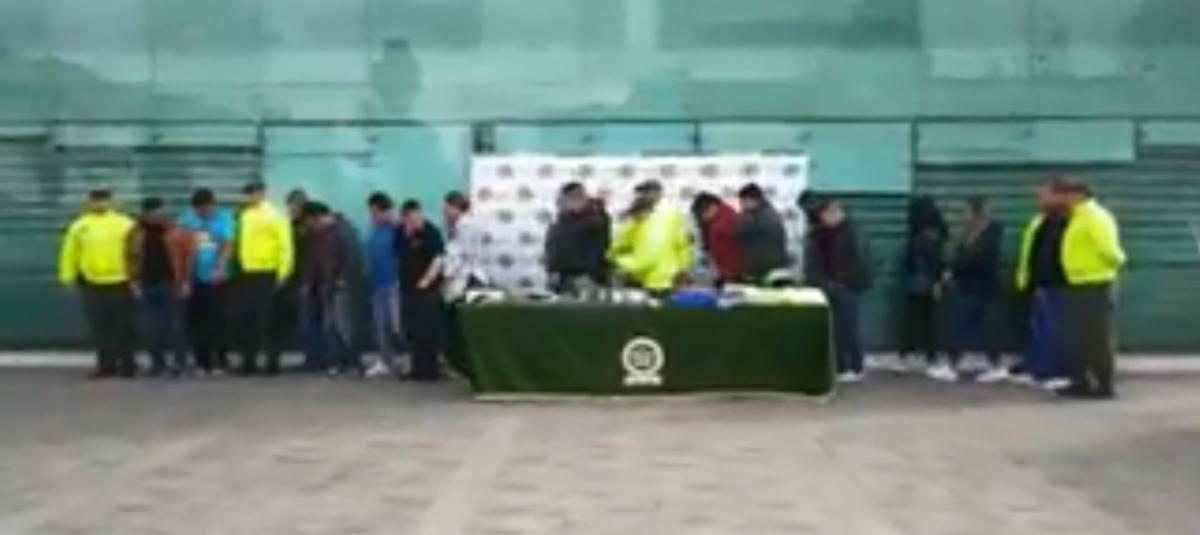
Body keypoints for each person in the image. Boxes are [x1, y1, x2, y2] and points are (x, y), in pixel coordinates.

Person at [1024, 177, 1126, 399]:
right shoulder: (1074, 217)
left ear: (1077, 195)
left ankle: (1104, 385)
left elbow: (1111, 252)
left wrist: (1105, 266)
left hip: (1094, 284)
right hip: (1073, 284)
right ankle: (1080, 381)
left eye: (1065, 195)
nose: (1061, 199)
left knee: (1097, 338)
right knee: (1076, 339)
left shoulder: (1095, 217)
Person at [58, 189, 138, 378]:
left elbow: (137, 252)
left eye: (103, 200)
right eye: (96, 201)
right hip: (92, 284)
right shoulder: (80, 225)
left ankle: (128, 366)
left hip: (121, 282)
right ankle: (106, 366)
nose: (100, 204)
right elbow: (70, 252)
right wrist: (67, 276)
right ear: (89, 203)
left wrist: (137, 277)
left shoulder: (125, 223)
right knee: (100, 328)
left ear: (111, 202)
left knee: (123, 327)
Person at [937, 196, 1006, 383]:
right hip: (967, 286)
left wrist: (955, 269)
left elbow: (978, 258)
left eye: (966, 212)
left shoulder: (991, 233)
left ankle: (994, 365)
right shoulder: (968, 233)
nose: (963, 216)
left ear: (978, 213)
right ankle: (953, 363)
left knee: (981, 327)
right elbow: (961, 255)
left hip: (983, 286)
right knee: (961, 325)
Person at [804, 199, 873, 383]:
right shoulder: (825, 234)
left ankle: (854, 367)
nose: (824, 219)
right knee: (839, 329)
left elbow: (858, 262)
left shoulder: (851, 233)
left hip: (847, 286)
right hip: (833, 286)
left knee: (849, 328)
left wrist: (842, 281)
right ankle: (841, 366)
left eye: (827, 215)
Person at [1015, 179, 1073, 387]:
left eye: (1044, 195)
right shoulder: (1044, 221)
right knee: (1040, 329)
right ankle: (1039, 368)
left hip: (1057, 283)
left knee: (1053, 329)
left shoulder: (1066, 221)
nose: (1039, 200)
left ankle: (1054, 370)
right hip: (1042, 283)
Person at [231, 181, 293, 375]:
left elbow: (285, 247)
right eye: (246, 194)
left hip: (267, 273)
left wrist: (283, 273)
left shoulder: (274, 215)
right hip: (247, 273)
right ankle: (248, 361)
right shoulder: (244, 215)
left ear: (261, 194)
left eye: (251, 194)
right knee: (247, 319)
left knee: (268, 320)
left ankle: (272, 363)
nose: (248, 198)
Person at [128, 197, 193, 377]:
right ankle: (157, 363)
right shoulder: (135, 233)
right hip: (146, 285)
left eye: (158, 212)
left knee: (175, 327)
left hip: (170, 284)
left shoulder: (176, 231)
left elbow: (188, 257)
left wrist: (186, 281)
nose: (155, 216)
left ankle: (180, 363)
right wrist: (133, 282)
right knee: (150, 329)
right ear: (144, 213)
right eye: (151, 213)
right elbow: (129, 258)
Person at [178, 189, 235, 376]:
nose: (203, 212)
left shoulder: (223, 218)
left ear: (213, 205)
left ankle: (220, 360)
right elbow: (182, 249)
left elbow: (227, 244)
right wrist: (185, 279)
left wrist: (220, 266)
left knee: (218, 321)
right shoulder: (187, 220)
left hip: (216, 278)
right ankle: (201, 361)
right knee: (197, 322)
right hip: (195, 278)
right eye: (200, 209)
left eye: (207, 208)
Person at [300, 202, 356, 375]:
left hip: (337, 287)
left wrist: (341, 279)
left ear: (318, 218)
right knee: (324, 325)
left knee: (338, 326)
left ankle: (344, 361)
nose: (310, 226)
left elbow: (351, 258)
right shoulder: (315, 235)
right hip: (320, 287)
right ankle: (322, 360)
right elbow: (311, 261)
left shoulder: (343, 232)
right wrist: (308, 282)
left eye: (311, 221)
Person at [394, 200, 447, 381]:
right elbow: (398, 253)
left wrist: (427, 279)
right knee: (412, 329)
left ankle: (431, 369)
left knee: (428, 330)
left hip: (427, 289)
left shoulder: (431, 232)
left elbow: (438, 258)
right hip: (407, 287)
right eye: (409, 219)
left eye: (416, 218)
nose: (414, 222)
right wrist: (406, 235)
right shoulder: (400, 232)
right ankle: (417, 367)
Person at [608, 180, 691, 292]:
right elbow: (616, 250)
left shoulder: (671, 215)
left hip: (663, 280)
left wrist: (682, 269)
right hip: (642, 280)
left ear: (660, 194)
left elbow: (681, 244)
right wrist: (625, 266)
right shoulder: (632, 219)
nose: (647, 196)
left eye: (650, 192)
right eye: (643, 193)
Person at [899, 196, 948, 375]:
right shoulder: (933, 235)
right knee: (928, 323)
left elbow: (916, 261)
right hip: (925, 284)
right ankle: (929, 357)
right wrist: (937, 282)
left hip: (916, 283)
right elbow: (935, 262)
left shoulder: (919, 235)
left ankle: (910, 356)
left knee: (915, 321)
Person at [363, 192, 406, 378]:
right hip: (377, 284)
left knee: (398, 326)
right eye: (371, 213)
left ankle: (408, 361)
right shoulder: (373, 230)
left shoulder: (398, 230)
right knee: (381, 326)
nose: (372, 216)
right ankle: (386, 360)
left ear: (385, 211)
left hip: (394, 284)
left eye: (375, 213)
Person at [545, 182, 612, 293]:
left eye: (578, 197)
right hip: (562, 278)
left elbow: (598, 251)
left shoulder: (596, 221)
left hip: (585, 279)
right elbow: (553, 248)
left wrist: (590, 275)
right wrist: (553, 271)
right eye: (568, 198)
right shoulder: (561, 221)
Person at [734, 184, 789, 283]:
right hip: (758, 267)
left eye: (743, 201)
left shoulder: (768, 217)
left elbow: (742, 233)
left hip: (768, 270)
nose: (741, 205)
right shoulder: (752, 214)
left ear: (754, 200)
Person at [442, 191, 490, 299]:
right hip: (465, 277)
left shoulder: (465, 226)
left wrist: (448, 273)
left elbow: (464, 254)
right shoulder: (456, 225)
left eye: (446, 209)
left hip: (470, 277)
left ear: (455, 208)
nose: (444, 213)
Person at [690, 192, 741, 285]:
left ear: (712, 207)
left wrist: (726, 275)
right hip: (724, 271)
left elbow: (728, 253)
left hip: (730, 273)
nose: (702, 218)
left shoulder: (722, 224)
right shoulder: (721, 216)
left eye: (702, 214)